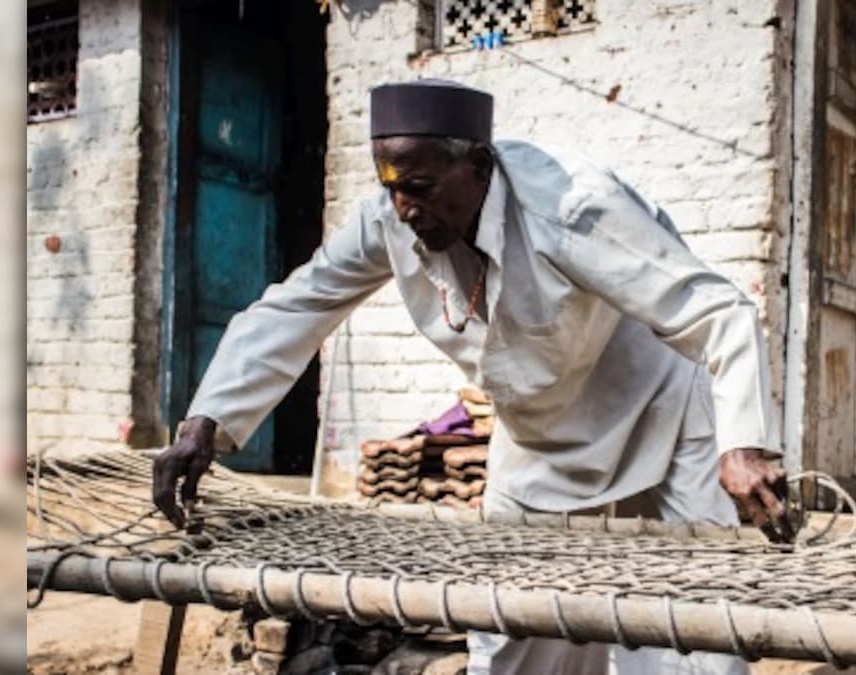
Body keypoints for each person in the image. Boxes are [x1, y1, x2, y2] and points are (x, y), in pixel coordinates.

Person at [152, 79, 791, 674]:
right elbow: (298, 304)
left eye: (422, 186)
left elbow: (718, 309)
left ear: (480, 166)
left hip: (664, 414)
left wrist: (743, 446)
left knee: (686, 633)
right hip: (539, 440)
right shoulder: (390, 218)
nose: (404, 206)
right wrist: (207, 421)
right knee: (514, 630)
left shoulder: (572, 207)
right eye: (391, 184)